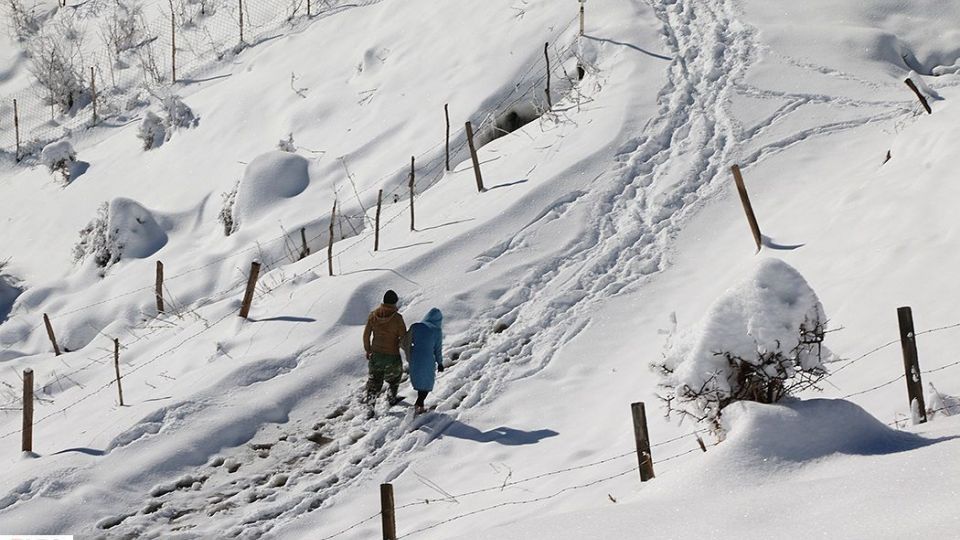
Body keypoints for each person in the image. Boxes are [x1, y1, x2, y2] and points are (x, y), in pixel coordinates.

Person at [363, 290, 407, 405]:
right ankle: (391, 398)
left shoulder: (373, 315)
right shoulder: (398, 319)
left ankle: (370, 407)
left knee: (374, 382)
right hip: (392, 356)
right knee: (394, 378)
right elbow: (404, 338)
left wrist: (368, 350)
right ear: (395, 303)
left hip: (376, 355)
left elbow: (366, 335)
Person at [406, 308, 444, 415]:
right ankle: (419, 404)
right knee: (426, 382)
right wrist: (440, 363)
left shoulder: (417, 326)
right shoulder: (437, 330)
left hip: (415, 357)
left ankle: (419, 404)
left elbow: (407, 340)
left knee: (419, 380)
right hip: (428, 358)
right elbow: (438, 349)